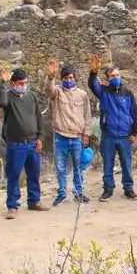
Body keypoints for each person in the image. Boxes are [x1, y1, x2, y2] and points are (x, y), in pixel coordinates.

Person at [0, 66, 48, 218]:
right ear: (13, 84)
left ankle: (34, 201)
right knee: (14, 175)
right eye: (19, 83)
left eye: (25, 82)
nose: (23, 85)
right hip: (16, 144)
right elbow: (0, 101)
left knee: (34, 174)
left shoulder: (31, 96)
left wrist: (40, 137)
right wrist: (3, 83)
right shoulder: (8, 97)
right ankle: (12, 206)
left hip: (33, 142)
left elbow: (38, 117)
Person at [89, 54, 137, 201]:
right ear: (107, 79)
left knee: (127, 163)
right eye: (112, 76)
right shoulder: (103, 92)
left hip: (125, 135)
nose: (116, 77)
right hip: (109, 135)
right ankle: (108, 189)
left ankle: (129, 189)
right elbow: (93, 84)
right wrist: (93, 73)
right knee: (108, 165)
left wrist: (134, 132)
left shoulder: (128, 94)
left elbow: (134, 113)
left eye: (118, 75)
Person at [44, 59, 92, 206]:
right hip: (61, 136)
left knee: (78, 167)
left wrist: (86, 135)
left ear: (75, 78)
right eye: (65, 78)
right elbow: (48, 90)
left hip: (77, 137)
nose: (69, 80)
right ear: (61, 79)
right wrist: (50, 77)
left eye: (71, 78)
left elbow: (87, 116)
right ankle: (61, 193)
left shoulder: (82, 95)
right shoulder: (57, 93)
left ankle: (79, 192)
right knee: (60, 167)